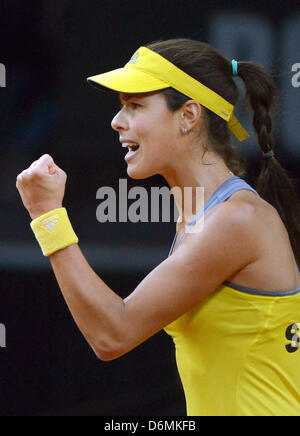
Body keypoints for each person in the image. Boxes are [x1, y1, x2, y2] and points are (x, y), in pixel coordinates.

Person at [16, 38, 300, 416]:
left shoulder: (235, 220)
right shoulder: (202, 214)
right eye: (121, 107)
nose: (117, 122)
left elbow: (111, 335)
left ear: (189, 116)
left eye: (135, 105)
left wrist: (47, 216)